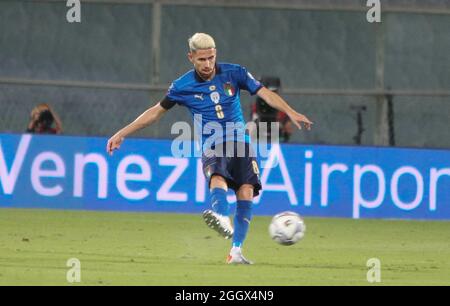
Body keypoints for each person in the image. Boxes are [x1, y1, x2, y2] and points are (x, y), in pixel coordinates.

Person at [106, 33, 313, 264]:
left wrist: (291, 112)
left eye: (211, 58)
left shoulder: (236, 73)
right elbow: (155, 112)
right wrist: (122, 132)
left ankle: (235, 251)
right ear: (191, 57)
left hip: (241, 141)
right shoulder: (181, 86)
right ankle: (221, 215)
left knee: (246, 190)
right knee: (218, 174)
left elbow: (264, 93)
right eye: (202, 59)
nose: (207, 64)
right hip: (212, 142)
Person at [250, 76, 294, 143]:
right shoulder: (258, 104)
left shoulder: (282, 105)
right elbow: (253, 121)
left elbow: (288, 127)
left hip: (277, 131)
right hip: (260, 130)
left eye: (275, 91)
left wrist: (285, 125)